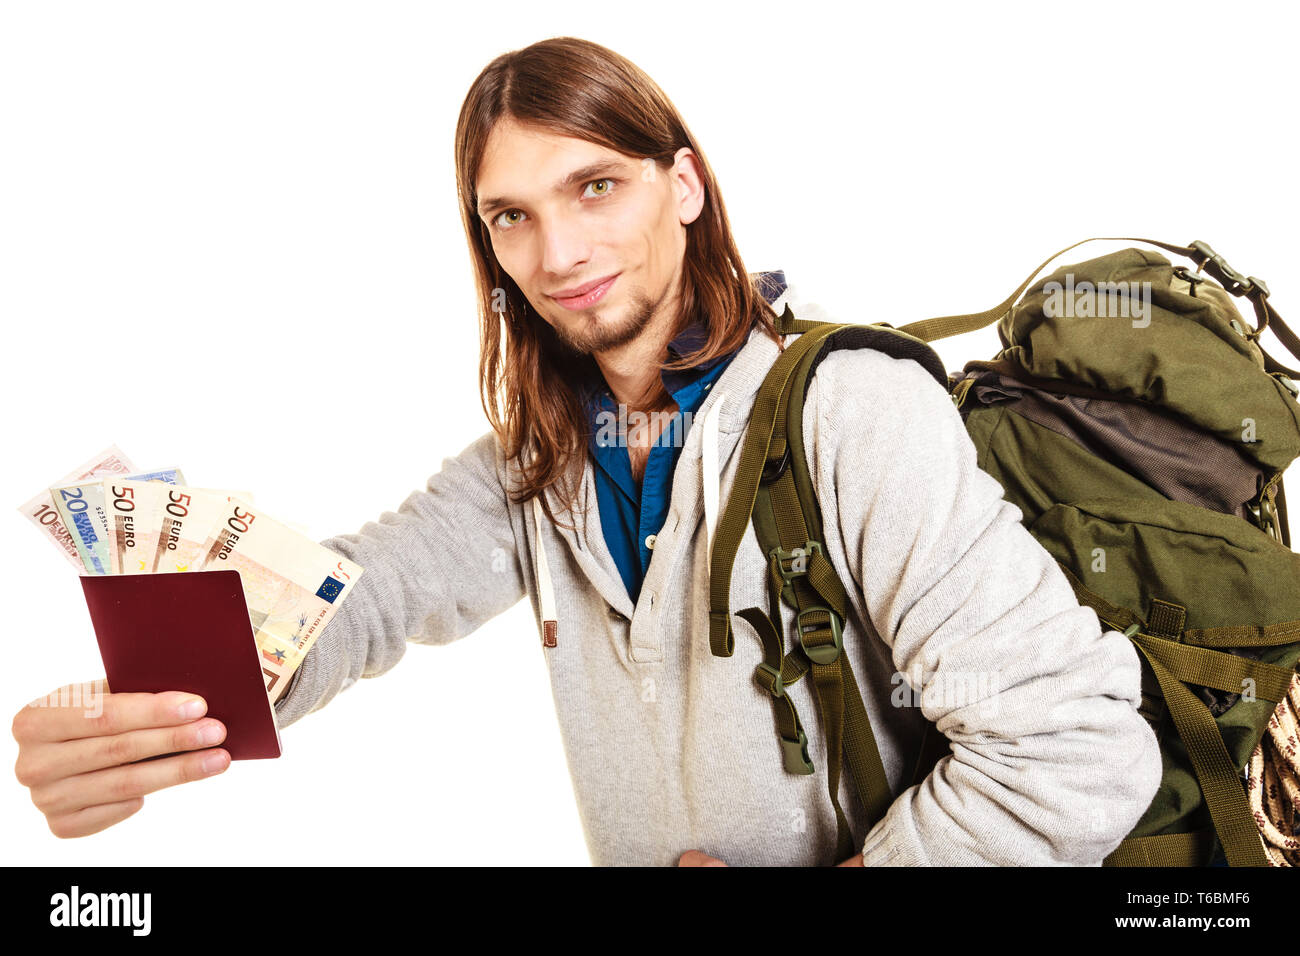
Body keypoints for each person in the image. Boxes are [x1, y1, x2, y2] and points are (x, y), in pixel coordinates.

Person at [11, 36, 1162, 865]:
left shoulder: (849, 409)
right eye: (509, 214)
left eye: (594, 186)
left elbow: (1078, 747)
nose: (556, 249)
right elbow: (347, 606)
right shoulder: (535, 464)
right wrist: (129, 711)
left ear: (686, 186)